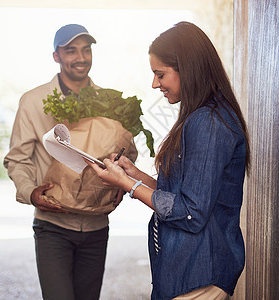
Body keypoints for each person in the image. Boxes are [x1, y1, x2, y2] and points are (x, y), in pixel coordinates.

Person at [86, 22, 250, 300]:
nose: (154, 84)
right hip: (187, 271)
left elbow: (191, 212)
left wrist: (125, 183)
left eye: (160, 74)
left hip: (200, 275)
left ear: (188, 68)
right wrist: (133, 173)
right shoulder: (199, 116)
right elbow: (180, 195)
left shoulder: (208, 122)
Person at [4, 24, 124, 300]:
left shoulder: (109, 102)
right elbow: (17, 159)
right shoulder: (33, 101)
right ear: (56, 56)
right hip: (52, 226)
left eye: (86, 49)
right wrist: (31, 193)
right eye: (71, 50)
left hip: (96, 225)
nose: (81, 57)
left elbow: (123, 153)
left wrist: (122, 181)